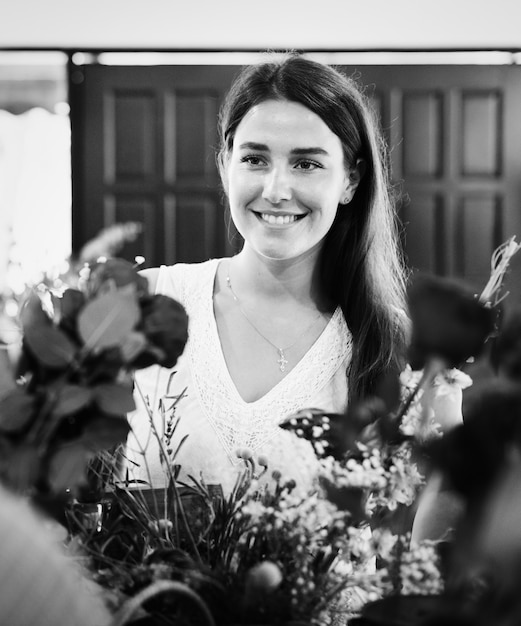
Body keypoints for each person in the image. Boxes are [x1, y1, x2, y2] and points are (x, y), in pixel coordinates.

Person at [125, 53, 412, 496]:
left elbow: (427, 517)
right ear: (225, 166)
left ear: (351, 181)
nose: (276, 190)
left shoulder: (390, 340)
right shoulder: (144, 304)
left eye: (307, 164)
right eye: (255, 160)